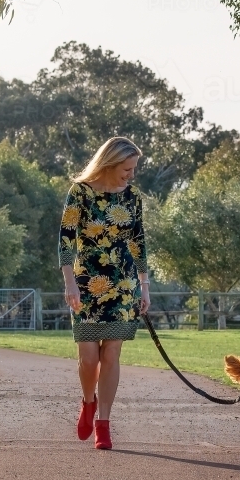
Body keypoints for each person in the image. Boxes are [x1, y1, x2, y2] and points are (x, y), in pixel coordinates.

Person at [59, 137, 150, 450]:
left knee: (111, 353)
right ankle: (88, 402)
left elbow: (138, 241)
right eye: (128, 168)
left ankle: (104, 423)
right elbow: (66, 240)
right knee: (88, 358)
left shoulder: (132, 197)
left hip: (123, 283)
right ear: (110, 164)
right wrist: (69, 281)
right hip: (85, 282)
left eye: (133, 168)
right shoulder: (80, 192)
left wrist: (145, 285)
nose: (131, 174)